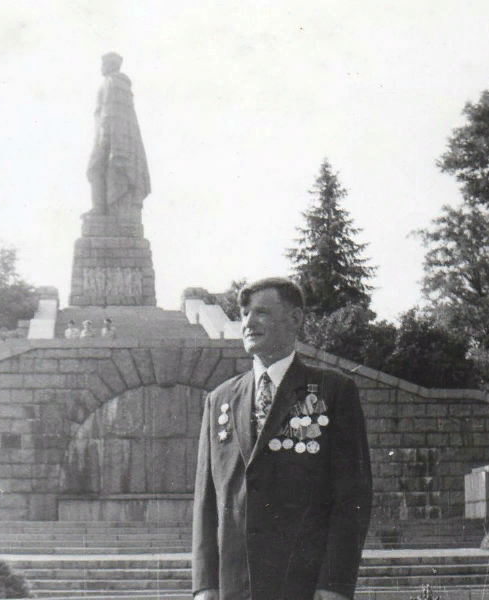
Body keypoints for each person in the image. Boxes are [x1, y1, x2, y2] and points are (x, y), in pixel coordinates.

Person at [192, 277, 373, 600]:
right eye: (245, 313)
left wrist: (334, 584)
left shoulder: (333, 391)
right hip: (236, 588)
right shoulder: (220, 399)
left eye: (261, 312)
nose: (248, 322)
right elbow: (206, 502)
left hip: (303, 586)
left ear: (295, 318)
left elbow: (351, 497)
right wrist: (205, 586)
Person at [86, 52, 151, 218]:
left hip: (108, 136)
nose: (101, 67)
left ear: (110, 64)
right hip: (110, 136)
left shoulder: (112, 82)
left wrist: (107, 140)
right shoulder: (116, 83)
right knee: (97, 169)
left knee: (95, 168)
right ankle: (102, 209)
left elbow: (110, 114)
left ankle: (101, 209)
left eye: (103, 63)